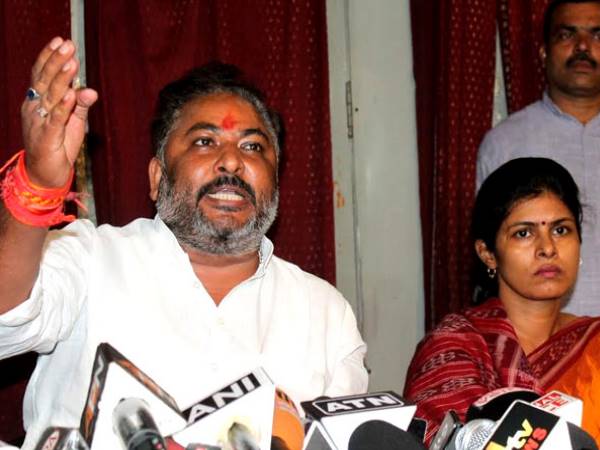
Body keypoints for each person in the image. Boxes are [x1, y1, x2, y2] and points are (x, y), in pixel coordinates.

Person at [0, 37, 368, 449]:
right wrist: (36, 185)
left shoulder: (326, 313)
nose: (232, 161)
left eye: (252, 146)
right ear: (157, 178)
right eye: (204, 142)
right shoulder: (90, 257)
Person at [404, 157, 600, 445]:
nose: (548, 248)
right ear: (488, 254)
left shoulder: (594, 343)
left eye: (561, 230)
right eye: (524, 233)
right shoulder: (455, 347)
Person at [476, 0, 600, 316]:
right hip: (537, 338)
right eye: (567, 34)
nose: (583, 46)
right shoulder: (505, 143)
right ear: (544, 52)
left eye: (597, 35)